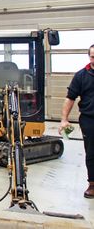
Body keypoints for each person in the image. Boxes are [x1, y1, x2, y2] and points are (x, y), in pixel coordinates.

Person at [59, 44, 94, 198]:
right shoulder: (81, 76)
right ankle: (93, 184)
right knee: (92, 153)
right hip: (89, 119)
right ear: (89, 57)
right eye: (93, 56)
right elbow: (70, 98)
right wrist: (64, 120)